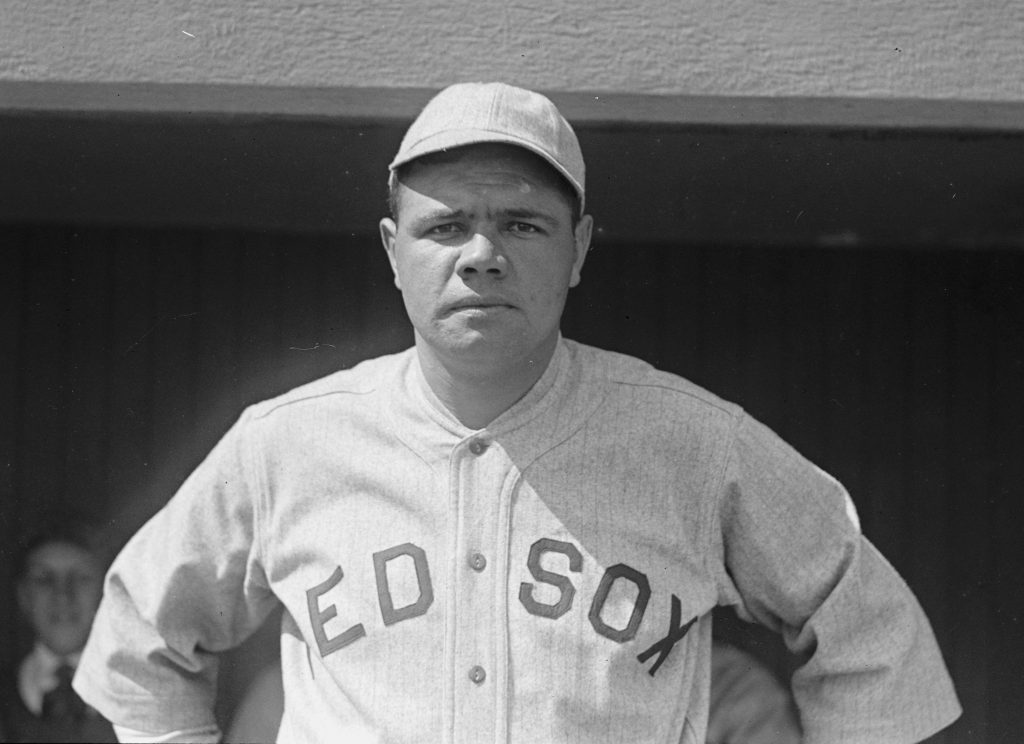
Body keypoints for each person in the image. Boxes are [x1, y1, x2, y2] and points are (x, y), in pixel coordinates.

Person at [74, 81, 961, 743]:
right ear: (393, 251)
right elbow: (139, 643)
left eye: (524, 225)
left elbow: (873, 638)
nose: (482, 256)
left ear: (579, 249)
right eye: (445, 226)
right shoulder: (289, 443)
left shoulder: (694, 443)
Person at [2, 524, 117, 743]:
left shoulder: (139, 691)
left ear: (104, 591)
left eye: (81, 578)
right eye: (44, 579)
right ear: (23, 595)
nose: (63, 595)